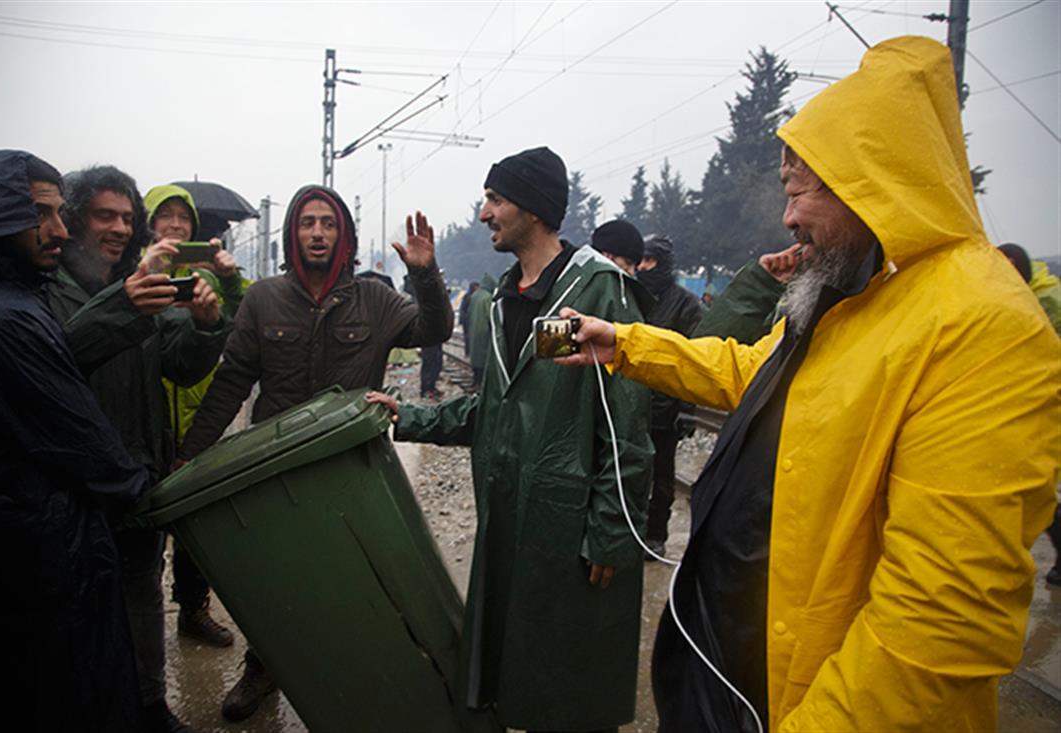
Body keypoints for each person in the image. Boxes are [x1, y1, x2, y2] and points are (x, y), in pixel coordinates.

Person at [559, 37, 1060, 732]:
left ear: (869, 180)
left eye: (798, 191)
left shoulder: (978, 326)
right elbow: (749, 371)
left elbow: (939, 620)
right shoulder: (849, 299)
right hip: (742, 665)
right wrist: (625, 343)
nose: (788, 217)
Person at [368, 147, 653, 733]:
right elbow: (499, 404)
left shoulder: (598, 288)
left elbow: (626, 420)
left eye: (495, 199)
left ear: (535, 208)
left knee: (572, 681)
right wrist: (412, 418)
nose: (483, 213)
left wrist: (610, 530)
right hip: (510, 514)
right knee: (524, 667)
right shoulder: (508, 296)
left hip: (570, 523)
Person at [177, 184, 453, 723]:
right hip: (274, 471)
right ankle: (263, 667)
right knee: (274, 578)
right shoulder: (264, 299)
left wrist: (425, 273)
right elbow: (232, 382)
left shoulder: (375, 299)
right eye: (308, 223)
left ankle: (355, 674)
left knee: (355, 577)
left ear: (343, 234)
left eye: (328, 223)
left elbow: (434, 328)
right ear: (293, 233)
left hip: (349, 470)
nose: (318, 233)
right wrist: (191, 453)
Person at [0, 148, 151, 732]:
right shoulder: (8, 320)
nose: (59, 230)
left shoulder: (4, 298)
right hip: (38, 557)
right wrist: (150, 487)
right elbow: (93, 452)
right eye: (42, 214)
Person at [49, 165, 230, 733]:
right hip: (76, 483)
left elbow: (180, 364)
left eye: (128, 217)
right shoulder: (50, 286)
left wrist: (204, 325)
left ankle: (150, 706)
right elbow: (59, 359)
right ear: (76, 220)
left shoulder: (142, 280)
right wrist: (123, 303)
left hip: (137, 473)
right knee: (76, 607)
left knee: (143, 597)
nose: (121, 229)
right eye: (106, 216)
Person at [143, 183, 248, 648]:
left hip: (201, 416)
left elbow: (247, 314)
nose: (175, 225)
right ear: (149, 225)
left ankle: (192, 610)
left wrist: (226, 278)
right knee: (145, 532)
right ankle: (142, 619)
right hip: (149, 418)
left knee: (196, 528)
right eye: (164, 216)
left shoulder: (205, 274)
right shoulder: (134, 272)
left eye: (182, 218)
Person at [630, 234, 702, 557]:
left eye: (649, 260)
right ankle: (630, 529)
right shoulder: (633, 296)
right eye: (640, 260)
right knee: (629, 472)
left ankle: (656, 534)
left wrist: (687, 411)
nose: (642, 267)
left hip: (665, 409)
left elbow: (696, 359)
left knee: (661, 477)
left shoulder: (686, 304)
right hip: (632, 406)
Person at [997, 242, 1061, 587]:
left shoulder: (1043, 302)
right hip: (1028, 396)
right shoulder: (1018, 294)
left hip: (1043, 398)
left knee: (1038, 483)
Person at [467, 273, 496, 387]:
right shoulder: (487, 297)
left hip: (473, 330)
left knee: (475, 355)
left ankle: (475, 380)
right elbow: (490, 315)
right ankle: (481, 382)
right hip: (484, 332)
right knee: (483, 358)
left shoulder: (475, 295)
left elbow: (468, 312)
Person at [460, 280, 479, 356]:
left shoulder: (468, 297)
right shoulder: (469, 297)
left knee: (469, 337)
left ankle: (469, 352)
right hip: (468, 320)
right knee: (468, 337)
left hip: (469, 320)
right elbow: (463, 309)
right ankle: (468, 352)